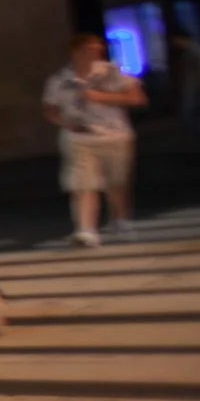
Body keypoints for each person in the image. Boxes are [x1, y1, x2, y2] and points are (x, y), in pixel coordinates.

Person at [44, 33, 145, 246]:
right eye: (88, 50)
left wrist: (102, 97)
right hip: (79, 137)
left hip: (114, 134)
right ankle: (86, 230)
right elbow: (50, 110)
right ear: (75, 52)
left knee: (116, 183)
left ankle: (120, 220)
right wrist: (65, 123)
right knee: (83, 184)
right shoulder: (59, 80)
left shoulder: (111, 72)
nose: (94, 53)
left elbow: (137, 98)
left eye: (97, 50)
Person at [169, 25, 200, 151]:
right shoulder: (192, 51)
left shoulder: (195, 51)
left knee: (198, 118)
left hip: (196, 91)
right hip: (193, 90)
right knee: (196, 118)